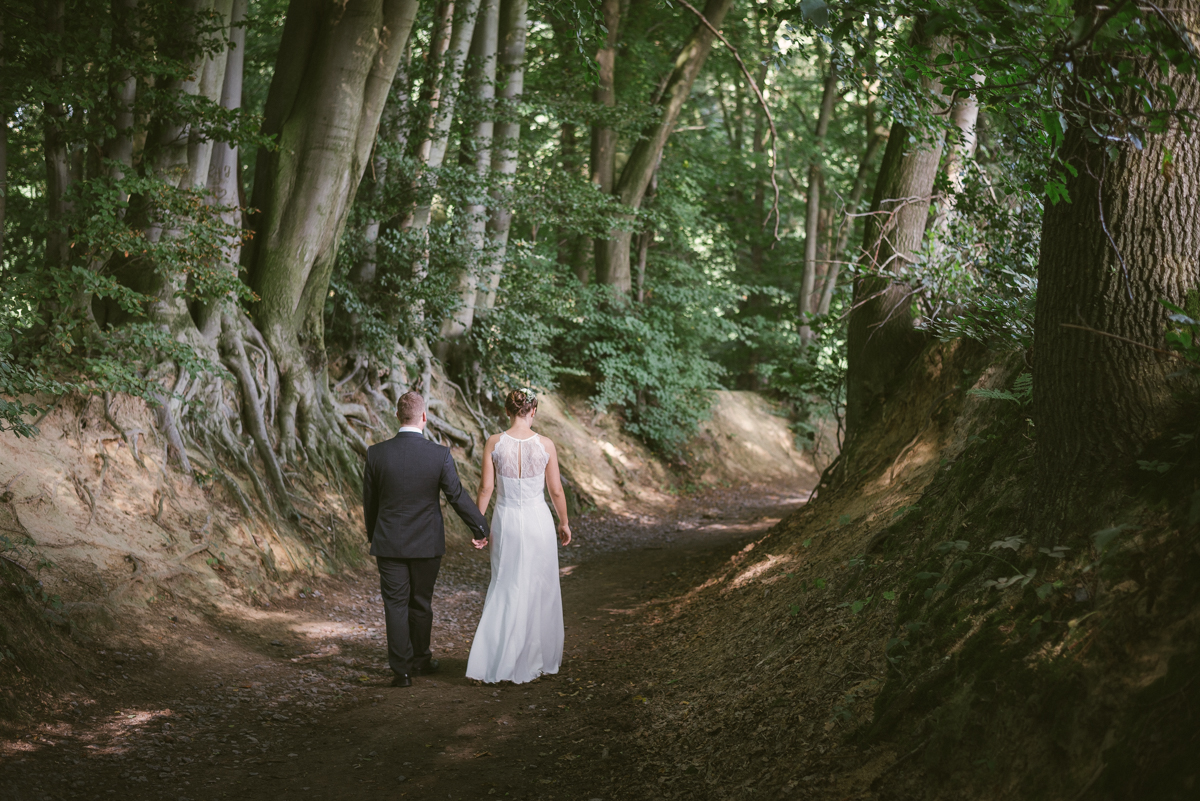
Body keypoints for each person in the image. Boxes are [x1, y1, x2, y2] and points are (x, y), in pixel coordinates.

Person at [362, 391, 490, 688]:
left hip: (389, 542)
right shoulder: (439, 454)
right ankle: (421, 659)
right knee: (420, 602)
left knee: (395, 604)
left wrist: (375, 536)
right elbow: (456, 496)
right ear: (423, 417)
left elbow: (370, 503)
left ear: (397, 417)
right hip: (427, 543)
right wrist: (480, 528)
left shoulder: (376, 453)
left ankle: (401, 672)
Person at [466, 388, 572, 684]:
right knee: (541, 586)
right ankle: (536, 657)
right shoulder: (546, 444)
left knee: (505, 583)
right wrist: (564, 522)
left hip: (506, 519)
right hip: (538, 519)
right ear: (533, 412)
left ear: (507, 411)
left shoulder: (494, 443)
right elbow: (556, 491)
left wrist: (479, 526)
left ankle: (498, 658)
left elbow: (486, 488)